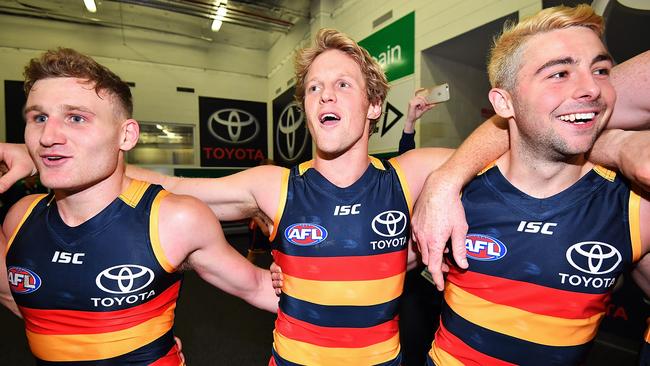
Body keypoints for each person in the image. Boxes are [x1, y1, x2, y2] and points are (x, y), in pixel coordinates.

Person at [0, 48, 278, 364]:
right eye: (39, 117)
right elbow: (12, 296)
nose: (47, 136)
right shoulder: (19, 218)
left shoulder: (175, 219)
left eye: (76, 118)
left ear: (127, 135)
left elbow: (256, 287)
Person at [426, 5, 650, 365]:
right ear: (504, 102)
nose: (591, 88)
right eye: (560, 73)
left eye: (602, 70)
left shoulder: (635, 207)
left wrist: (621, 145)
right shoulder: (454, 187)